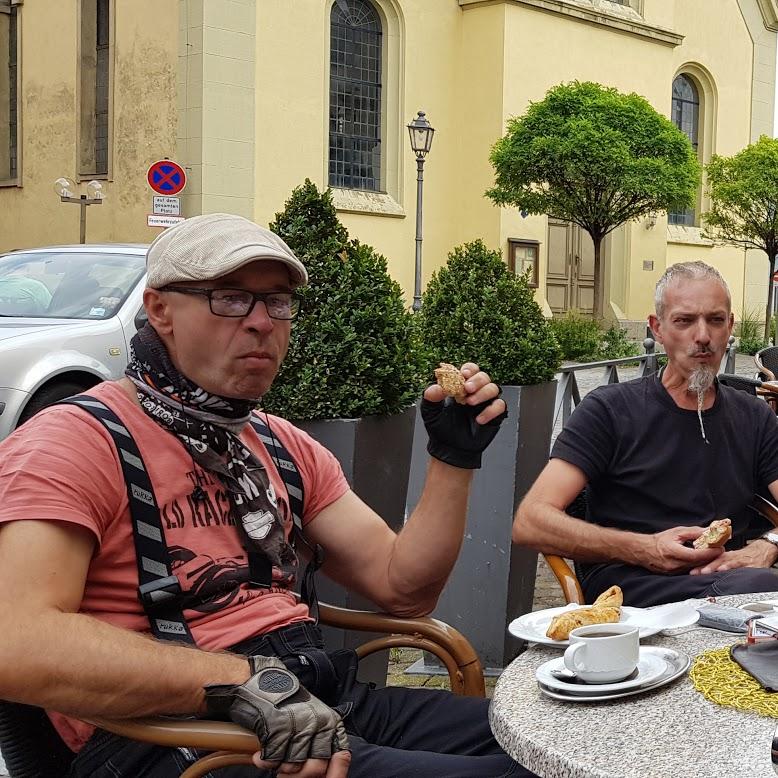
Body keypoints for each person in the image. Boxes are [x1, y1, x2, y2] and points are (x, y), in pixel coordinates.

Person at [0, 213, 534, 778]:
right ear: (159, 310)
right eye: (231, 298)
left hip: (318, 696)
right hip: (171, 736)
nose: (261, 322)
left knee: (551, 745)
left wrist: (452, 458)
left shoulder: (282, 445)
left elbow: (404, 590)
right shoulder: (74, 441)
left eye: (277, 301)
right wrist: (246, 683)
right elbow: (17, 639)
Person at [515, 260, 778, 608]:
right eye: (684, 321)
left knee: (760, 588)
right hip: (633, 590)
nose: (703, 336)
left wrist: (769, 544)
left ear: (729, 327)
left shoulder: (754, 416)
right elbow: (531, 522)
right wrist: (645, 549)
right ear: (658, 328)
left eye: (715, 320)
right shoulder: (609, 410)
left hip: (732, 584)